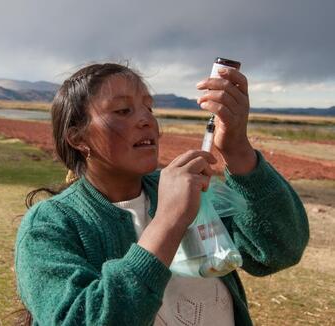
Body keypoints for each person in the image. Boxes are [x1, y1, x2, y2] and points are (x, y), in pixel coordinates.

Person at [15, 63, 309, 325]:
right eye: (122, 111)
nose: (146, 120)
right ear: (77, 138)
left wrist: (236, 147)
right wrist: (169, 219)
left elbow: (277, 250)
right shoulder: (49, 226)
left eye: (149, 108)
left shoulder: (188, 190)